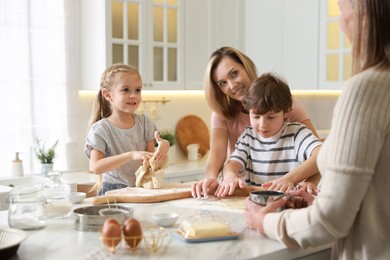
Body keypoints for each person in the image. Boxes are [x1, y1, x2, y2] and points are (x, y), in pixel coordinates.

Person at [244, 0, 390, 259]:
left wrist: (264, 221)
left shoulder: (368, 88)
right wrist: (320, 201)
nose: (340, 21)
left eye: (341, 9)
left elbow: (330, 220)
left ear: (364, 16)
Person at [191, 46, 320, 198]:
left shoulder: (284, 103)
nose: (232, 85)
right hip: (244, 191)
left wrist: (309, 182)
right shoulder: (240, 128)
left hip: (288, 194)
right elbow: (218, 155)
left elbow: (319, 157)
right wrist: (212, 179)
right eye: (222, 83)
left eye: (234, 74)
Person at [215, 73, 321, 197]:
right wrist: (229, 177)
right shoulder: (248, 137)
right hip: (256, 204)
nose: (262, 124)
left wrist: (290, 179)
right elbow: (232, 164)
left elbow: (321, 155)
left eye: (270, 117)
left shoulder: (297, 133)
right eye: (256, 116)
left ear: (286, 112)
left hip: (289, 205)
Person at [85, 63, 169, 196]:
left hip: (141, 190)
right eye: (126, 90)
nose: (133, 95)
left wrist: (164, 147)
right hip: (112, 193)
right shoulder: (101, 129)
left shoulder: (145, 124)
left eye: (138, 90)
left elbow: (150, 165)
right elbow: (95, 167)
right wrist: (131, 155)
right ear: (108, 95)